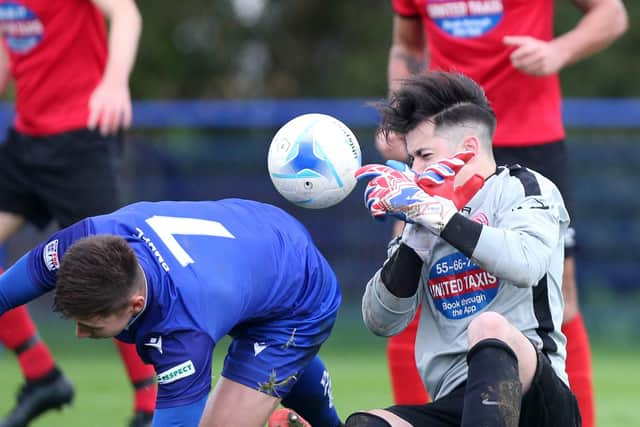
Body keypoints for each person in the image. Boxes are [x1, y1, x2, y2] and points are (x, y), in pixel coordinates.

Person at [378, 1, 628, 424]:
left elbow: (612, 13)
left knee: (559, 289)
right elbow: (405, 46)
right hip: (440, 145)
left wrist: (559, 51)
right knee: (411, 268)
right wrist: (402, 118)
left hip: (529, 134)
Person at [347, 71, 580, 427]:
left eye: (424, 155)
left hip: (535, 399)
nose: (415, 170)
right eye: (411, 159)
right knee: (366, 423)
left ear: (468, 149)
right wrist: (416, 236)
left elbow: (525, 265)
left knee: (488, 326)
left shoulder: (524, 188)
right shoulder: (422, 215)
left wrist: (441, 217)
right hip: (458, 405)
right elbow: (381, 320)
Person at [0, 198, 344, 427]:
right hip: (253, 234)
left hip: (300, 294)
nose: (80, 333)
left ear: (135, 304)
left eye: (90, 325)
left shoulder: (182, 335)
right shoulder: (84, 242)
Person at [0, 1, 157, 426]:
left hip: (80, 139)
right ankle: (41, 375)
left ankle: (150, 406)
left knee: (120, 265)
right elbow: (8, 48)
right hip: (24, 142)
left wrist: (114, 83)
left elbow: (126, 14)